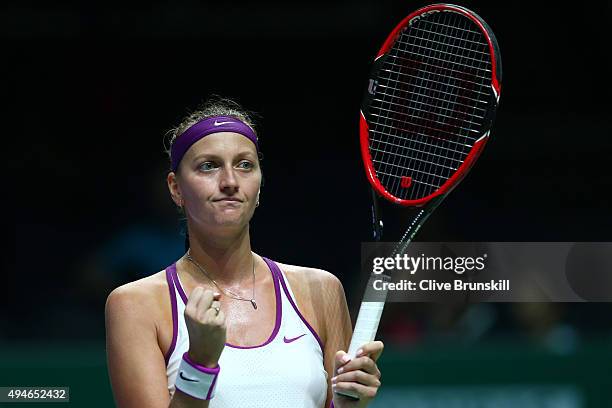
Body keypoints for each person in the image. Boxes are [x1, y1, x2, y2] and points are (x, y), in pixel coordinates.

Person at [105, 97, 384, 408]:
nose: (230, 182)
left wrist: (351, 403)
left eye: (244, 165)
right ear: (176, 188)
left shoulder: (321, 289)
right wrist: (199, 364)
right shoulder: (134, 305)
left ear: (260, 185)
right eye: (208, 166)